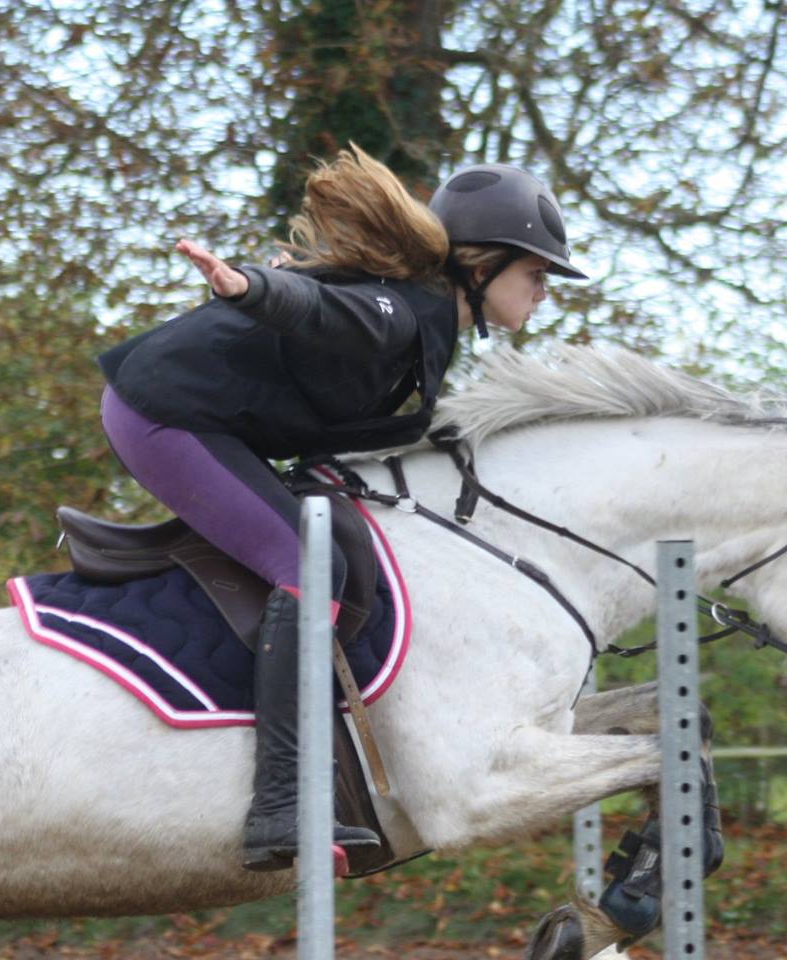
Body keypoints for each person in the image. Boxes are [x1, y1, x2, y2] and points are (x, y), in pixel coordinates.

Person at [94, 147, 587, 871]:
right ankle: (281, 802)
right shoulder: (405, 311)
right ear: (481, 266)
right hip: (164, 417)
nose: (543, 291)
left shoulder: (429, 322)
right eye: (536, 273)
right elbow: (322, 311)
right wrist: (250, 288)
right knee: (308, 566)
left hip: (208, 422)